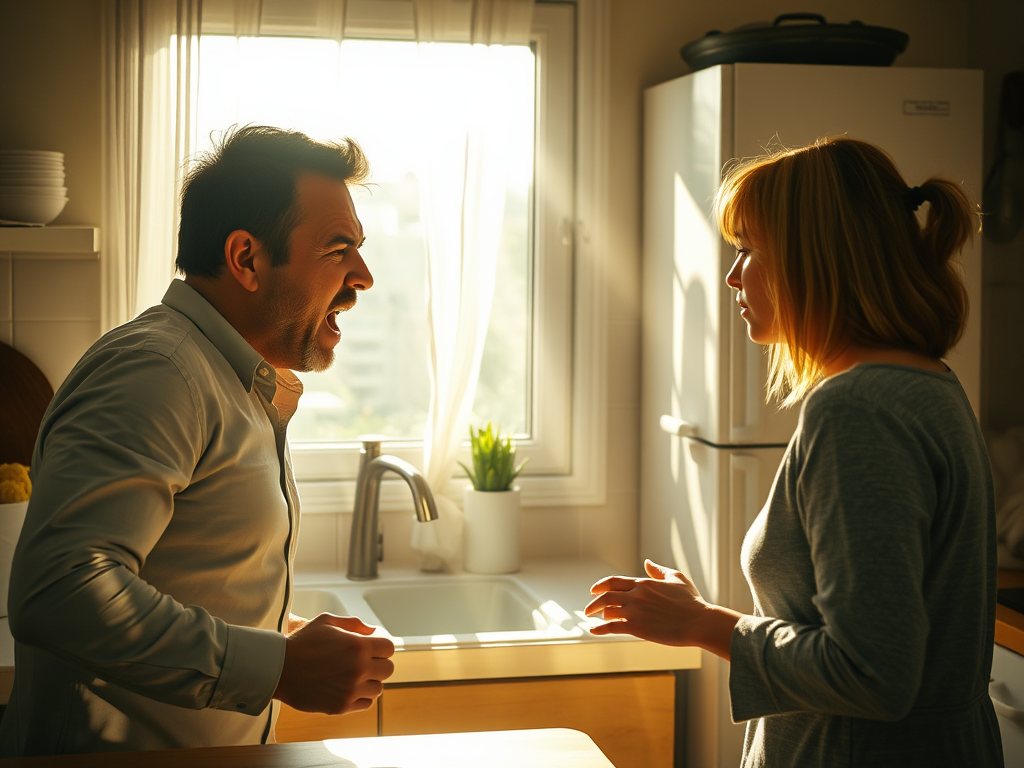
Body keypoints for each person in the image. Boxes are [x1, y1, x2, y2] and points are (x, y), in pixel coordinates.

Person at [586, 136, 1003, 766]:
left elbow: (871, 673)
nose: (732, 275)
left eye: (749, 250)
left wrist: (702, 624)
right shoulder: (927, 383)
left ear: (816, 259)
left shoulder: (859, 409)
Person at [0, 126, 396, 755]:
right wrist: (279, 668)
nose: (364, 276)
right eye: (337, 248)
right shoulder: (160, 373)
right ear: (246, 259)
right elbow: (61, 590)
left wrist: (280, 639)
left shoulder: (229, 381)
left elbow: (182, 578)